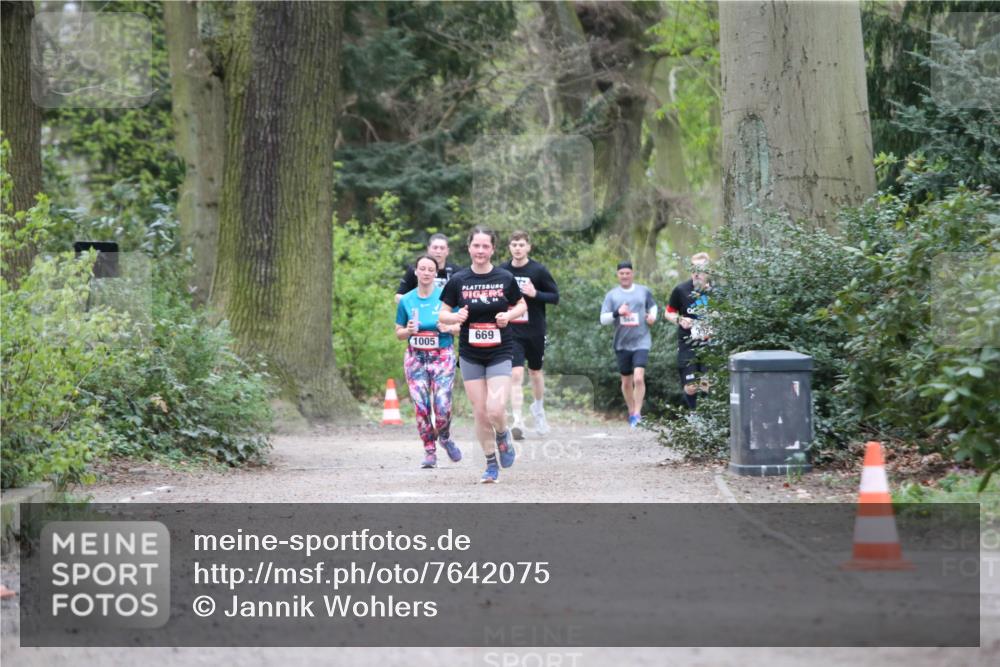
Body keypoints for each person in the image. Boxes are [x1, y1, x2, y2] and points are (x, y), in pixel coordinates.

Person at [439, 226, 527, 483]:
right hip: (470, 355)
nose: (480, 250)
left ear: (492, 249)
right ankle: (490, 464)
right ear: (469, 248)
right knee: (480, 412)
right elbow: (442, 313)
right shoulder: (459, 280)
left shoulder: (504, 278)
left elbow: (521, 305)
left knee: (495, 409)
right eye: (476, 246)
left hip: (500, 352)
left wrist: (508, 316)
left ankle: (503, 435)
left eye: (485, 246)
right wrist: (455, 316)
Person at [395, 255, 463, 468]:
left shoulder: (446, 299)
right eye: (421, 269)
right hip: (416, 358)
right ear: (415, 272)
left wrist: (449, 328)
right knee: (421, 407)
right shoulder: (406, 300)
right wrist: (409, 330)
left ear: (436, 273)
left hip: (442, 355)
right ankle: (429, 450)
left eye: (430, 269)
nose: (425, 273)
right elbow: (398, 333)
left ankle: (444, 437)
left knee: (442, 405)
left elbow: (461, 325)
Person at [499, 230, 559, 439]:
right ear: (509, 247)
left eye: (521, 244)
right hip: (512, 331)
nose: (517, 248)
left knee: (535, 372)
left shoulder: (538, 270)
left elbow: (555, 296)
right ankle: (517, 421)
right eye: (514, 244)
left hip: (535, 330)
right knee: (515, 374)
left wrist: (536, 294)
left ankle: (539, 410)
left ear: (528, 247)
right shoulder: (502, 271)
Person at [600, 261, 657, 428]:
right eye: (621, 273)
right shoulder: (612, 295)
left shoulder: (643, 291)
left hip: (641, 340)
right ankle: (631, 411)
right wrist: (618, 312)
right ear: (617, 275)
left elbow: (653, 307)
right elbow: (603, 319)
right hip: (622, 343)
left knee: (638, 378)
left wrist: (652, 317)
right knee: (626, 381)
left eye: (627, 273)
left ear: (632, 274)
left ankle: (638, 414)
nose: (625, 276)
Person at [666, 252, 713, 410]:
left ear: (708, 271)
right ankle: (694, 416)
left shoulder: (716, 292)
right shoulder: (681, 290)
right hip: (688, 345)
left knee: (706, 385)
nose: (696, 272)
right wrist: (680, 320)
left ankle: (707, 419)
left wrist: (715, 320)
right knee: (691, 386)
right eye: (693, 268)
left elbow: (726, 315)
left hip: (709, 345)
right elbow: (668, 312)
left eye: (700, 269)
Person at [395, 234, 460, 304]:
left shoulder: (456, 272)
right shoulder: (415, 270)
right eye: (435, 248)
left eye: (442, 248)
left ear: (447, 251)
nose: (438, 251)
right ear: (428, 249)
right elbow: (398, 297)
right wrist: (419, 303)